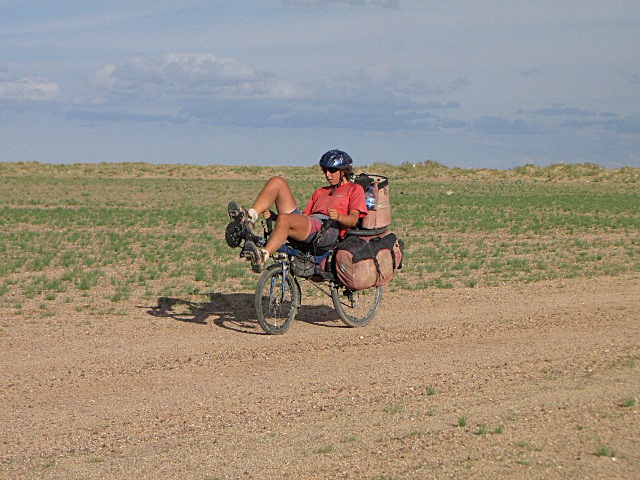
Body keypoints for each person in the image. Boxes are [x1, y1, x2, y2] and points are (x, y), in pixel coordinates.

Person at [227, 149, 367, 272]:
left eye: (332, 171)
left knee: (285, 218)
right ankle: (250, 218)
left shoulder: (354, 189)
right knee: (277, 182)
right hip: (310, 224)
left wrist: (339, 217)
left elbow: (354, 219)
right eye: (325, 171)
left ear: (344, 171)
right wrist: (275, 217)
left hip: (328, 230)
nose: (327, 175)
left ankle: (263, 256)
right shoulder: (320, 191)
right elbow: (304, 217)